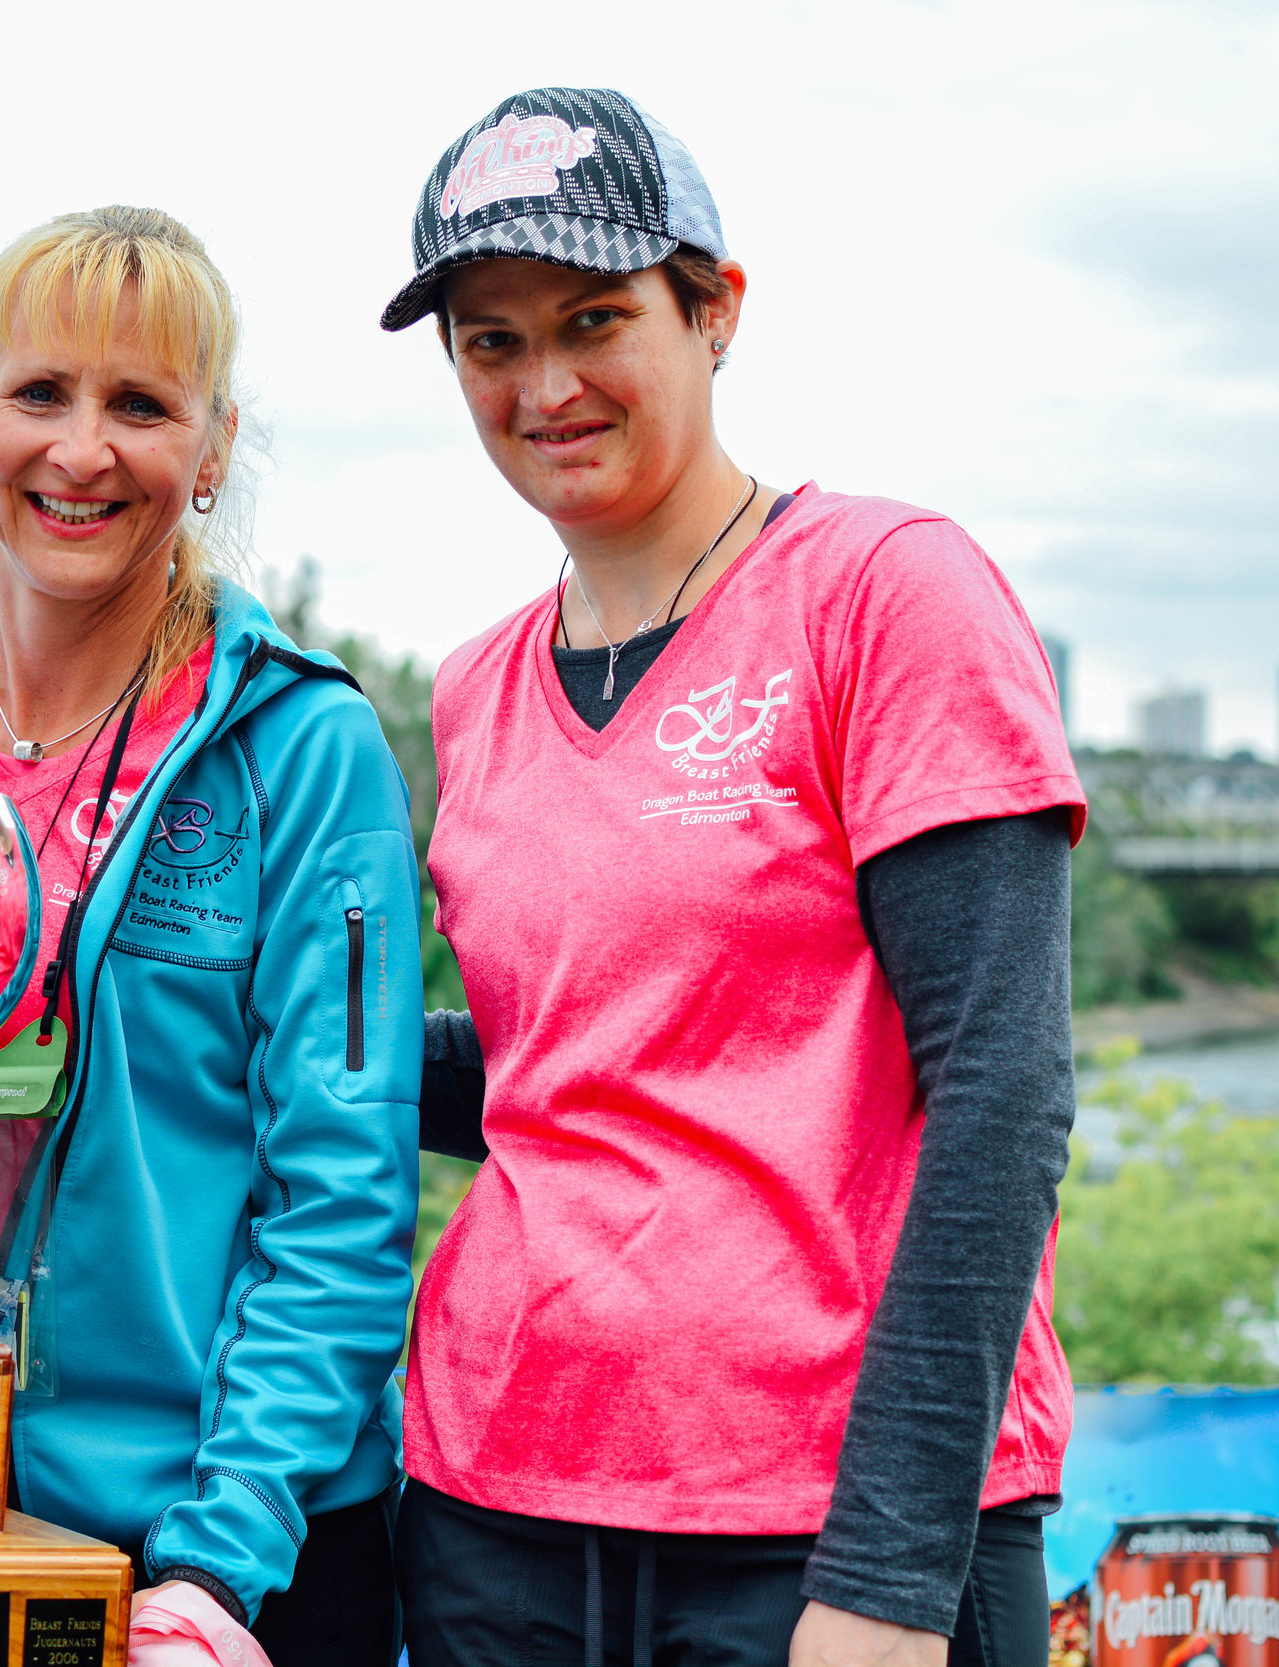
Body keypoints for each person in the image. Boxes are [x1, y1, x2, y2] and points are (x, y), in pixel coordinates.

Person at [382, 91, 1085, 1667]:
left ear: (716, 312)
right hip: (497, 1519)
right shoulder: (476, 689)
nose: (545, 386)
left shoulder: (885, 594)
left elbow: (1003, 1090)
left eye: (595, 319)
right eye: (491, 342)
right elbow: (577, 1065)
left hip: (819, 1539)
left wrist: (891, 1575)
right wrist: (234, 1027)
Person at [0, 205, 420, 1666]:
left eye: (140, 405)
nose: (81, 451)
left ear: (212, 450)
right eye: (41, 392)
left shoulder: (301, 747)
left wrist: (217, 1566)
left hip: (220, 1569)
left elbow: (339, 1197)